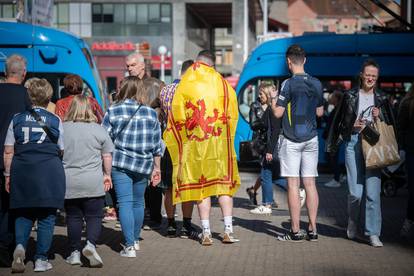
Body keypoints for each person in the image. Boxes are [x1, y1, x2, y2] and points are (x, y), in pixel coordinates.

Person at [164, 50, 241, 246]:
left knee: (202, 188)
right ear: (213, 65)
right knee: (224, 187)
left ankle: (206, 232)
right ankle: (228, 231)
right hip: (219, 147)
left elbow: (177, 115)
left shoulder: (186, 82)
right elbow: (233, 113)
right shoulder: (223, 84)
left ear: (197, 62)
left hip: (195, 148)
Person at [327, 59, 393, 247]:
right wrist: (351, 126)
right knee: (356, 193)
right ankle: (353, 221)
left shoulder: (381, 97)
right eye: (368, 75)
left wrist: (378, 115)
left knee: (373, 193)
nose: (370, 78)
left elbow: (390, 122)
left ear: (377, 78)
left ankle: (373, 233)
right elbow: (339, 122)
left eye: (374, 76)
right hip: (354, 143)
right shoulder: (350, 96)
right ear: (361, 75)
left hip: (374, 145)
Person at [4, 78, 65, 273]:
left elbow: (8, 151)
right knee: (47, 216)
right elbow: (62, 149)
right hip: (48, 171)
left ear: (29, 96)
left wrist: (7, 175)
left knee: (22, 212)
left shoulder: (16, 118)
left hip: (22, 169)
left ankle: (20, 246)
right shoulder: (55, 120)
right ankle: (41, 259)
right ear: (48, 96)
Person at [102, 76, 162, 257]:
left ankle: (128, 246)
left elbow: (104, 140)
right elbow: (156, 145)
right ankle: (135, 240)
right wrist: (156, 168)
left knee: (125, 203)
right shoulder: (151, 113)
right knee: (138, 203)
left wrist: (105, 169)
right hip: (143, 165)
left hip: (120, 163)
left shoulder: (113, 110)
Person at [270, 44, 324, 242]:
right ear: (305, 60)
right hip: (311, 138)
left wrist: (272, 100)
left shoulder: (288, 84)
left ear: (288, 62)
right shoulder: (317, 83)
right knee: (310, 184)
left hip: (292, 140)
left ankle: (294, 231)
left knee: (293, 184)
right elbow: (319, 113)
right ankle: (313, 229)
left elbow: (277, 113)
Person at [62, 95, 114, 267]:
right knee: (94, 216)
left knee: (73, 217)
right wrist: (107, 174)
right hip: (92, 181)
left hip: (69, 181)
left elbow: (58, 152)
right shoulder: (99, 129)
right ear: (90, 109)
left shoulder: (63, 128)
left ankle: (75, 252)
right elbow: (107, 155)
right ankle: (90, 244)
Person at [159, 60, 199, 238]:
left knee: (169, 186)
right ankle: (187, 224)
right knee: (187, 184)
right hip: (188, 145)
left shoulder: (165, 90)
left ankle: (170, 223)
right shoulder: (193, 91)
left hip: (169, 143)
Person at [0, 54, 31, 267]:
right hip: (15, 160)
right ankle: (6, 247)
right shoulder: (25, 96)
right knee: (11, 206)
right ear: (24, 74)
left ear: (5, 72)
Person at [249, 83, 285, 215]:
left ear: (269, 95)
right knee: (270, 175)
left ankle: (267, 204)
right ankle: (268, 203)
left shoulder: (273, 109)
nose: (259, 96)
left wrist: (269, 150)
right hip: (268, 145)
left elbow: (274, 130)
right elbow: (260, 124)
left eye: (261, 94)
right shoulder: (272, 108)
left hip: (271, 146)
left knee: (266, 174)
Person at [142, 77, 165, 231]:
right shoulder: (161, 114)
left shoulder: (142, 111)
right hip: (160, 146)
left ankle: (145, 212)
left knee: (142, 181)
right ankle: (156, 216)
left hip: (142, 146)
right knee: (156, 181)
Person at [397, 84, 414, 238]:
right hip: (412, 151)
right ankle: (409, 219)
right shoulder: (408, 103)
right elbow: (400, 128)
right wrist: (403, 147)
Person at [323, 91, 344, 188]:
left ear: (336, 98)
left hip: (333, 138)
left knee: (332, 158)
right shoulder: (337, 109)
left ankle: (336, 179)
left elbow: (334, 124)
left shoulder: (339, 110)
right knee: (331, 157)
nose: (330, 98)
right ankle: (338, 176)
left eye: (332, 97)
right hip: (332, 137)